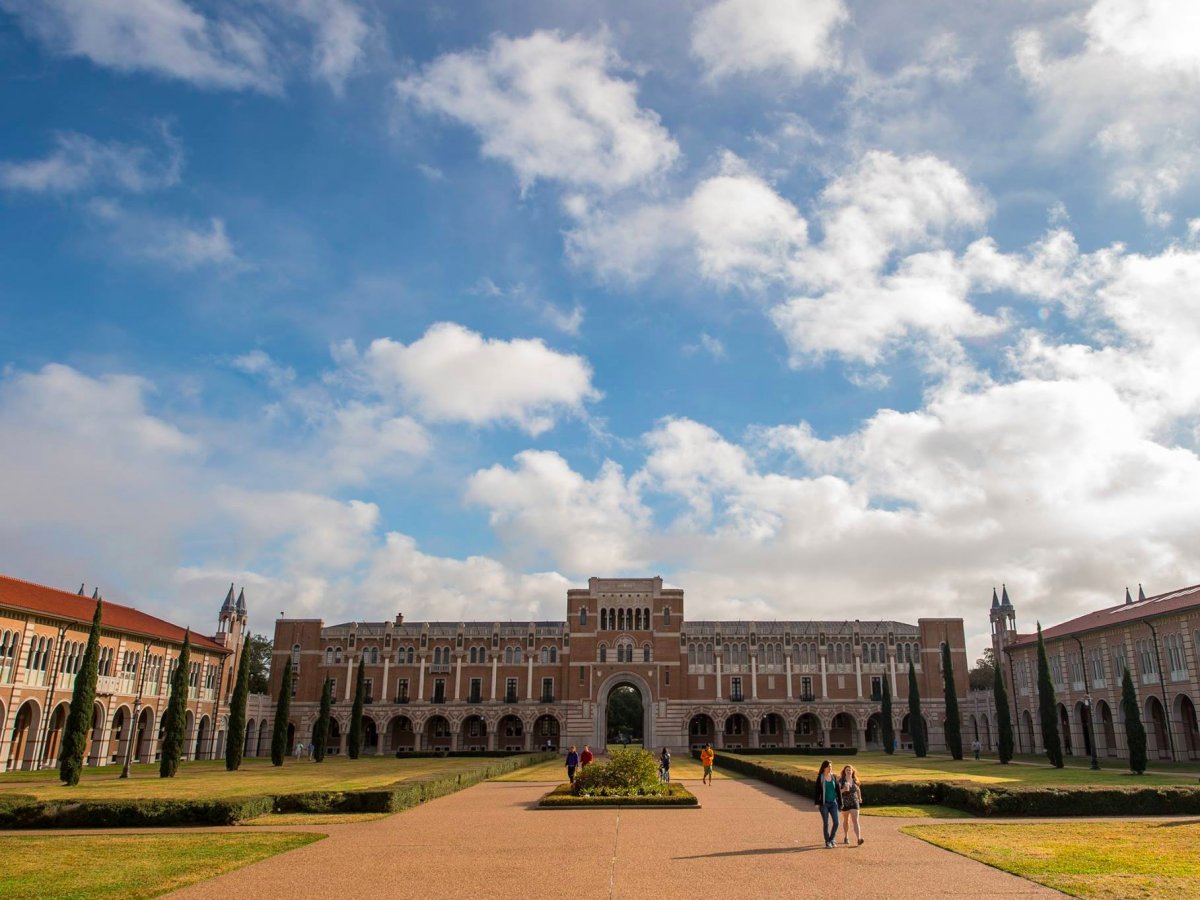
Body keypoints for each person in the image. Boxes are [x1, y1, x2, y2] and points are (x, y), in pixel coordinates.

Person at [813, 759, 839, 849]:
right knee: (826, 823)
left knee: (836, 822)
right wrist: (817, 802)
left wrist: (841, 802)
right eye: (828, 766)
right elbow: (817, 791)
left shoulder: (834, 777)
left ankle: (831, 839)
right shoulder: (820, 777)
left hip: (833, 803)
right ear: (824, 767)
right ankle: (827, 841)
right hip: (824, 803)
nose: (830, 768)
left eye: (831, 766)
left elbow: (838, 790)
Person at [838, 764, 864, 846]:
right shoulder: (841, 781)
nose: (849, 771)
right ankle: (846, 836)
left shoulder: (855, 780)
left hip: (854, 802)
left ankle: (859, 839)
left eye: (850, 770)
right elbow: (838, 792)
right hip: (845, 803)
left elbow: (858, 790)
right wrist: (843, 790)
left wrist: (860, 798)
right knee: (846, 821)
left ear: (852, 771)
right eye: (847, 770)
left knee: (855, 821)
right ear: (844, 772)